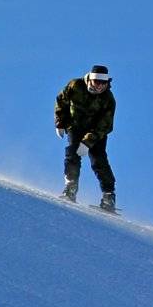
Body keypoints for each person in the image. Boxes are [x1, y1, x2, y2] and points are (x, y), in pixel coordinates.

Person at [54, 64, 116, 211]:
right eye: (97, 82)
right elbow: (61, 101)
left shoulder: (108, 99)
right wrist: (60, 122)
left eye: (103, 83)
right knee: (72, 153)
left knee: (98, 160)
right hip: (75, 126)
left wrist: (88, 142)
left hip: (96, 132)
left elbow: (105, 124)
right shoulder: (75, 85)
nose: (100, 86)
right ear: (90, 79)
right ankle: (71, 187)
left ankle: (109, 196)